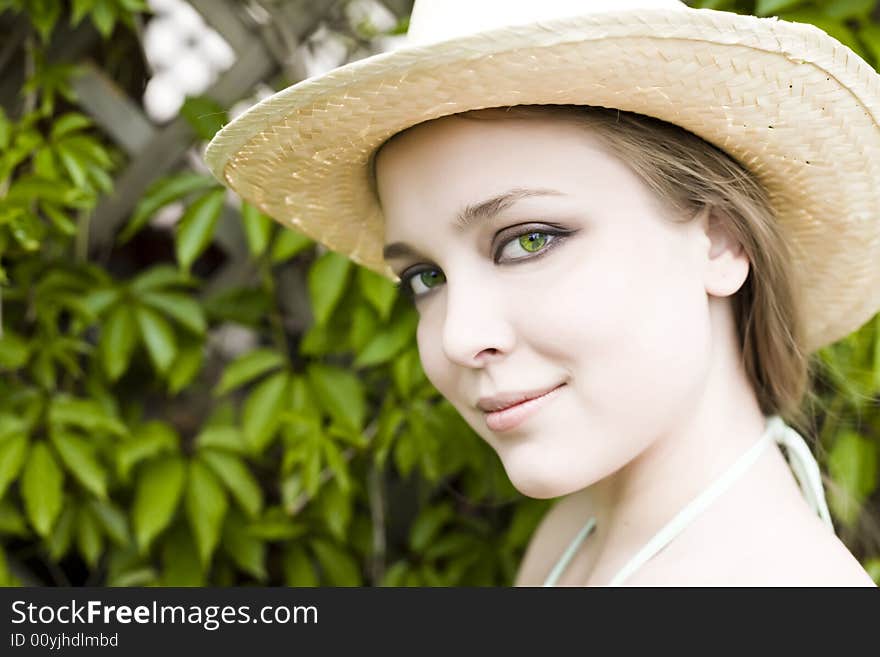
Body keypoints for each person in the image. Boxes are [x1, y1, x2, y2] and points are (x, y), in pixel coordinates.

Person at [205, 0, 880, 585]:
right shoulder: (576, 535)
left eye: (528, 240)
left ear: (721, 240)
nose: (458, 336)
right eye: (426, 277)